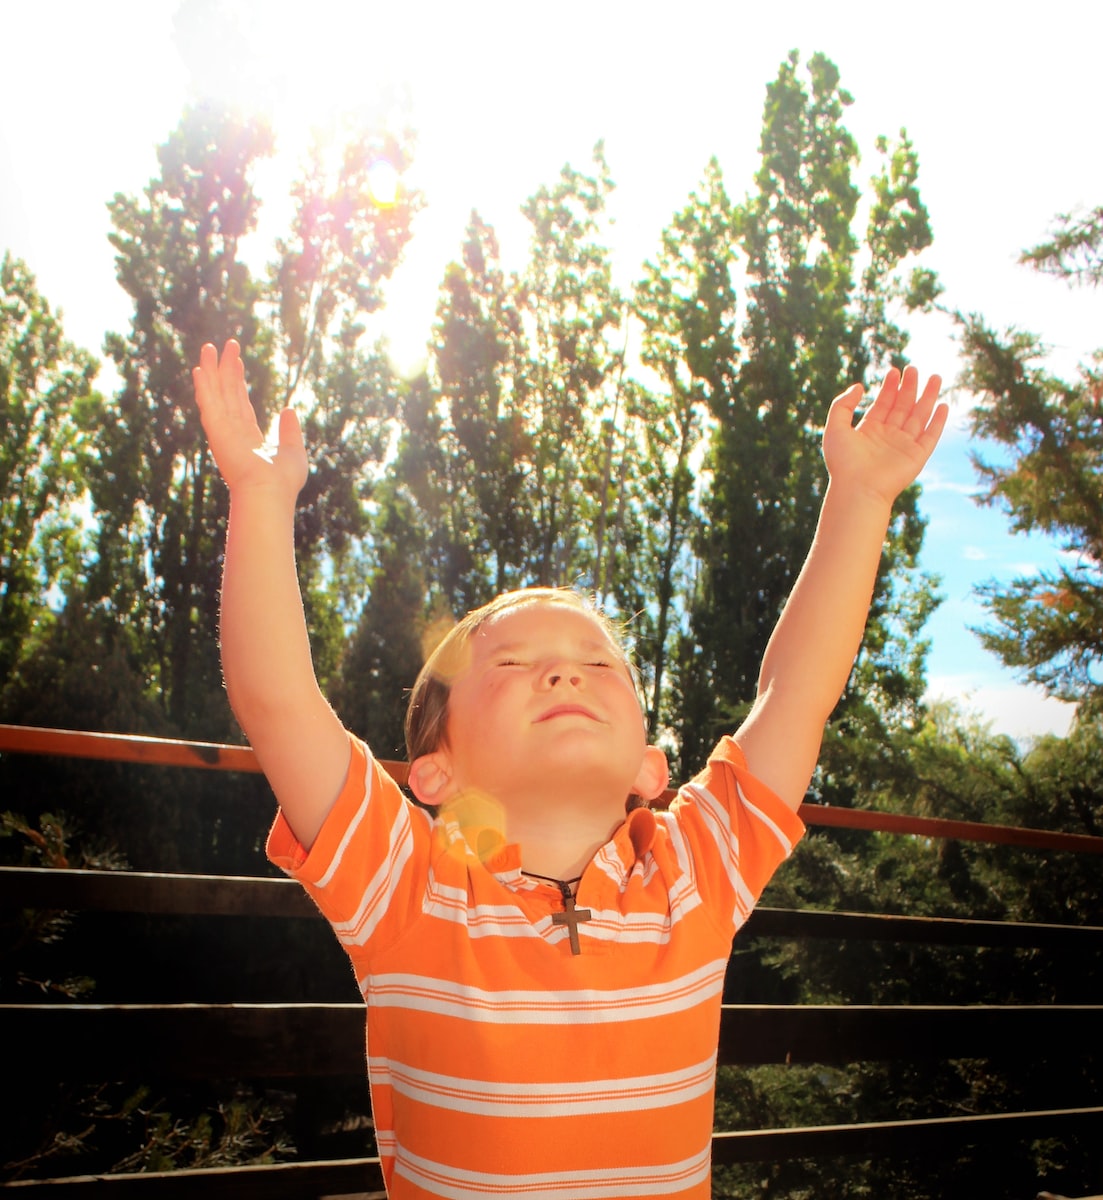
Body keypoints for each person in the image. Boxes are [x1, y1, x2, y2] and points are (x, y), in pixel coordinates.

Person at [192, 340, 947, 1199]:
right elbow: (279, 702)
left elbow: (795, 692)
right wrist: (257, 494)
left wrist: (860, 496)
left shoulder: (693, 872)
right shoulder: (406, 888)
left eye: (599, 665)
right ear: (432, 774)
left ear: (652, 767)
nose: (563, 672)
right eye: (511, 665)